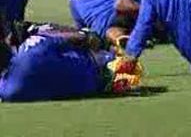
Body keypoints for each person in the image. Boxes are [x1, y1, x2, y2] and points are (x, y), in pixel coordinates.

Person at [0, 22, 140, 102]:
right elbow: (77, 38)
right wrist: (86, 34)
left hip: (96, 88)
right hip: (99, 68)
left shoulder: (8, 93)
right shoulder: (32, 47)